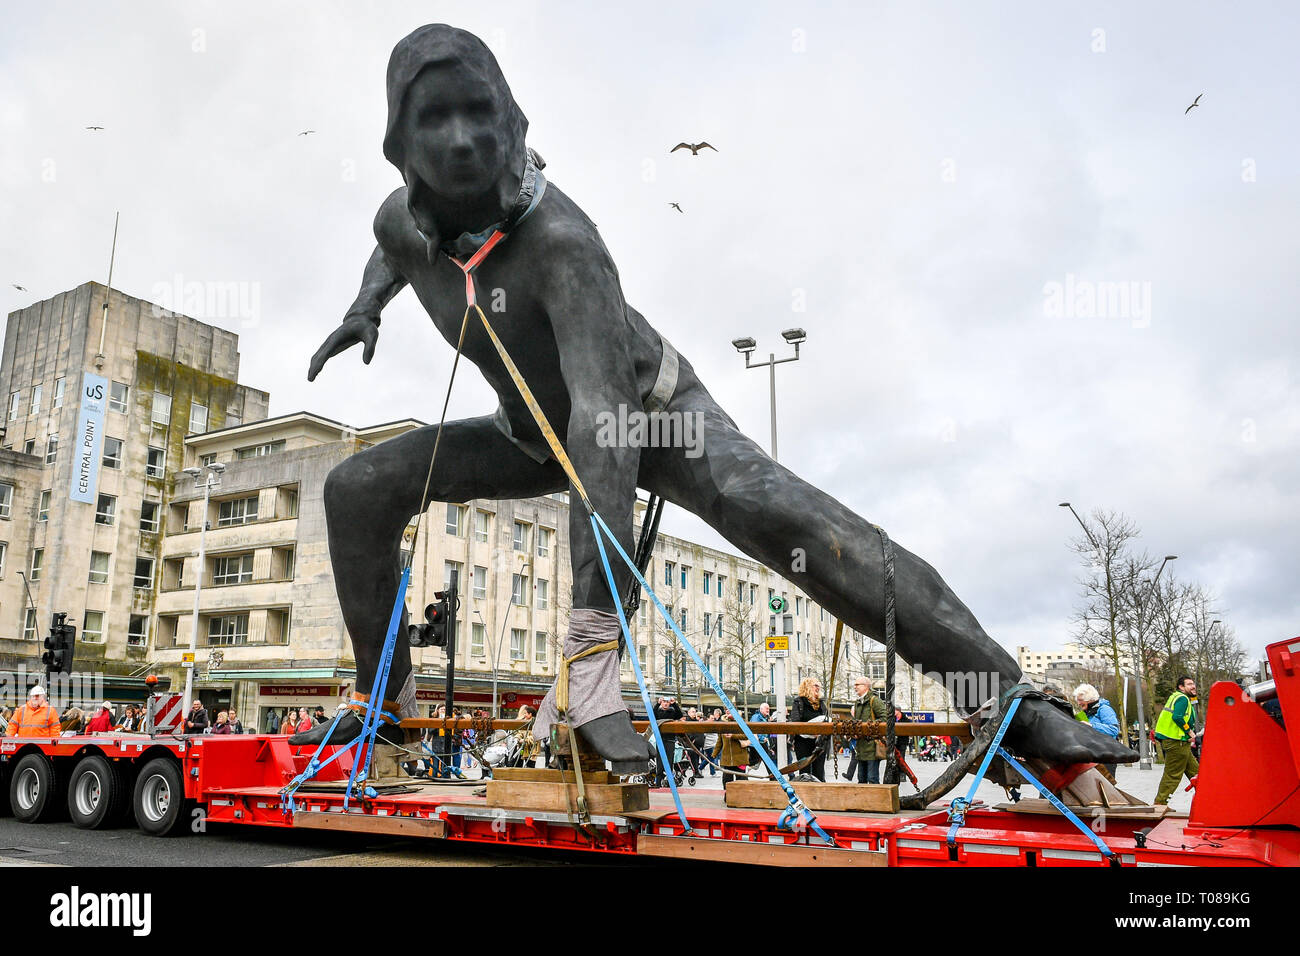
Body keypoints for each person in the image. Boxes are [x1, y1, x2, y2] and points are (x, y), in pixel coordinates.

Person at [1154, 676, 1199, 806]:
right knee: (1173, 775)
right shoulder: (1183, 698)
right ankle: (1159, 804)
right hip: (1176, 742)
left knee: (1197, 774)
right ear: (1181, 687)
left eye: (1193, 683)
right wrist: (1189, 732)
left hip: (1178, 741)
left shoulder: (1175, 697)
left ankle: (1210, 801)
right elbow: (1177, 717)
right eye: (1189, 684)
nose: (1193, 686)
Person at [1073, 683, 1121, 777]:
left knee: (1105, 786)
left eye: (1081, 700)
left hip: (1106, 756)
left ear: (1090, 699)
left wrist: (1091, 726)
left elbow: (1113, 730)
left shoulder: (1104, 709)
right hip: (1093, 755)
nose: (1078, 703)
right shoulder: (1086, 713)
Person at [789, 678, 829, 781]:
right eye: (815, 685)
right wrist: (810, 730)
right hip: (803, 742)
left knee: (819, 772)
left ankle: (819, 795)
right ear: (807, 687)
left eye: (818, 685)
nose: (818, 687)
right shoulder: (799, 702)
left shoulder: (821, 703)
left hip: (818, 742)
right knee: (804, 772)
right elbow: (795, 721)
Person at [851, 676, 888, 784]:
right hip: (861, 746)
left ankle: (876, 800)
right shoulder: (858, 703)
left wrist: (869, 727)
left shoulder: (874, 701)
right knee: (861, 779)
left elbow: (884, 718)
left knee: (872, 778)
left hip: (872, 746)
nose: (855, 687)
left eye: (857, 684)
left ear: (866, 686)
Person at [712, 714, 751, 792]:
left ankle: (742, 797)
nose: (727, 712)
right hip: (727, 759)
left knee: (741, 781)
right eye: (726, 710)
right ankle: (728, 796)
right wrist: (714, 754)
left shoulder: (741, 723)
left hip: (740, 758)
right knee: (727, 780)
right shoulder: (722, 726)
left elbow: (747, 735)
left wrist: (733, 735)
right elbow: (719, 742)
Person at [651, 696, 682, 786]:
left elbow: (679, 715)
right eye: (664, 702)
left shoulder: (672, 712)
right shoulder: (658, 711)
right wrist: (657, 704)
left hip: (670, 740)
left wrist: (675, 704)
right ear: (661, 703)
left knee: (669, 762)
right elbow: (652, 715)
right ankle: (658, 783)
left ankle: (669, 783)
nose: (665, 703)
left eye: (667, 702)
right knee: (659, 763)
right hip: (660, 740)